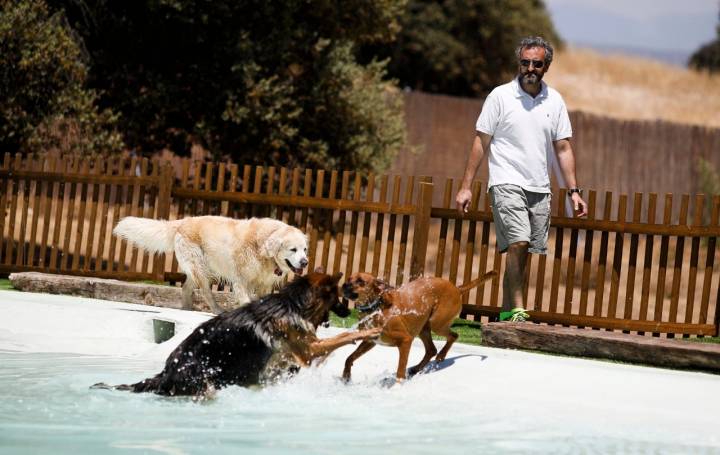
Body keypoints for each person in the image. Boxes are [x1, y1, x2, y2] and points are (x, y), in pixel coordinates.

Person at [455, 36, 587, 322]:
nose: (530, 68)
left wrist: (573, 191)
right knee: (519, 241)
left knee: (524, 248)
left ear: (546, 66)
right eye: (525, 62)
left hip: (539, 187)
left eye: (536, 63)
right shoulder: (500, 96)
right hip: (505, 181)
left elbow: (563, 148)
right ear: (519, 63)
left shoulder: (555, 100)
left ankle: (506, 310)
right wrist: (466, 187)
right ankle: (517, 308)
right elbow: (481, 141)